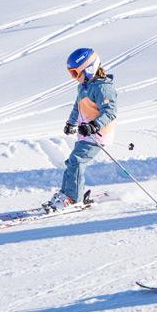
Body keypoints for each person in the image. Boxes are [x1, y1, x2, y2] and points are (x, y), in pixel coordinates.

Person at [43, 48, 118, 211]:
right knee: (72, 162)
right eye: (72, 74)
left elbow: (110, 112)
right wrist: (71, 123)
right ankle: (65, 194)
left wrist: (94, 125)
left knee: (77, 161)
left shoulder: (103, 88)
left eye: (76, 73)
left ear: (90, 68)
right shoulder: (84, 86)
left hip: (98, 133)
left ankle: (73, 198)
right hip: (85, 133)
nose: (74, 78)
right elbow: (78, 107)